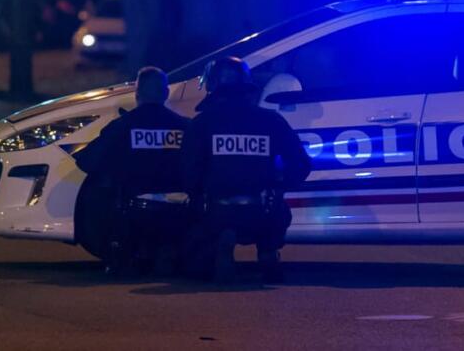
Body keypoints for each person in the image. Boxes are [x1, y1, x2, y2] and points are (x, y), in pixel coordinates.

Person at [181, 56, 311, 283]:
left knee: (193, 225)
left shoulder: (201, 123)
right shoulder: (271, 121)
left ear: (213, 86)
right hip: (264, 211)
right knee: (278, 210)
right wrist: (278, 187)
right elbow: (301, 165)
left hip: (216, 212)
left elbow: (187, 170)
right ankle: (268, 250)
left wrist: (198, 193)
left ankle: (220, 245)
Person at [75, 67, 189, 276]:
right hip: (178, 209)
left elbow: (87, 161)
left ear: (137, 95)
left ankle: (120, 255)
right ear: (165, 94)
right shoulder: (185, 126)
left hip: (134, 209)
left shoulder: (123, 125)